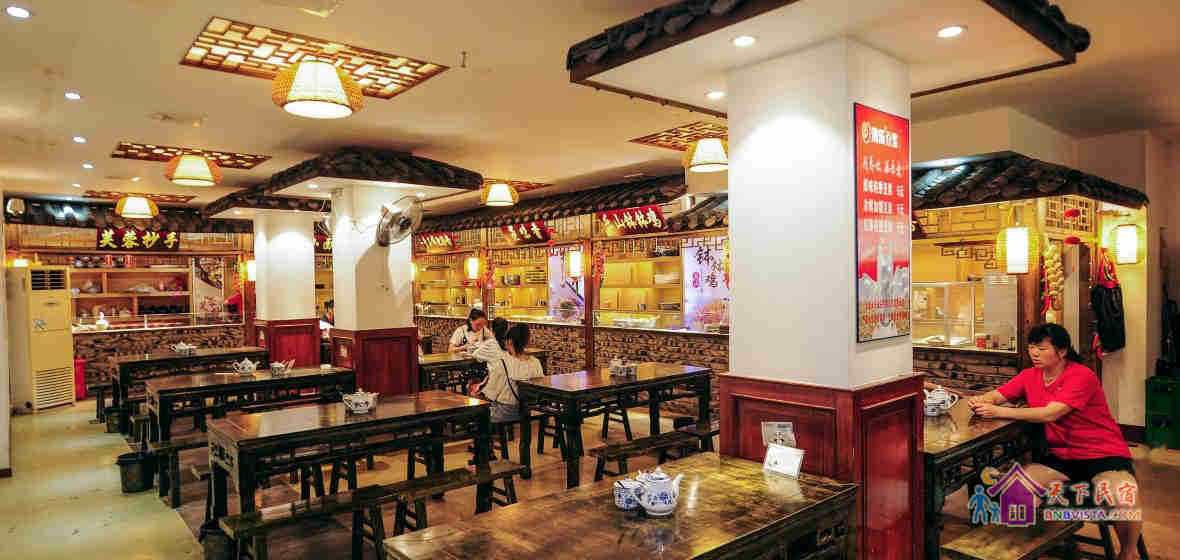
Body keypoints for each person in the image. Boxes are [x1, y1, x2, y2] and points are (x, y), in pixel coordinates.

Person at [968, 323, 1141, 560]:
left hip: (1102, 454)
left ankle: (1128, 553)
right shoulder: (1029, 376)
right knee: (1014, 491)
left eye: (1041, 348)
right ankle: (1040, 544)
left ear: (1062, 351)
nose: (1034, 353)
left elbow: (1050, 413)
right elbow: (997, 395)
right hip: (1061, 456)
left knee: (1124, 498)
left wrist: (998, 411)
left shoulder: (1081, 375)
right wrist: (982, 400)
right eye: (1031, 347)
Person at [472, 323, 543, 422]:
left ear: (509, 341)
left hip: (506, 411)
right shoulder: (536, 362)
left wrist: (476, 392)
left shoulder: (502, 362)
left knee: (476, 411)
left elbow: (490, 394)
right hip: (528, 410)